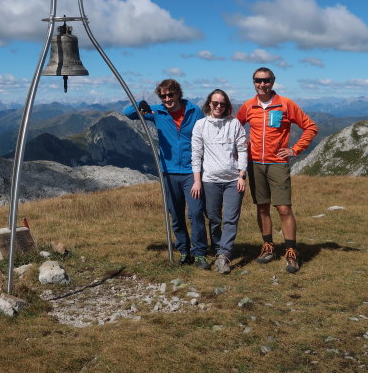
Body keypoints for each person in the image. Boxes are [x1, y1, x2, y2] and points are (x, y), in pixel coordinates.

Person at [236, 67, 318, 273]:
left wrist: (294, 149)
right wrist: (242, 146)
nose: (262, 84)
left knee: (283, 208)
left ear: (273, 82)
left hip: (278, 164)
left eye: (266, 80)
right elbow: (235, 128)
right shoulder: (248, 106)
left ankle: (291, 250)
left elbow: (310, 127)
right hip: (255, 163)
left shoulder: (286, 104)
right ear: (253, 82)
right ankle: (268, 247)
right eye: (258, 80)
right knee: (262, 206)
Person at [124, 79, 210, 269]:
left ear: (178, 93)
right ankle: (184, 251)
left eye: (171, 94)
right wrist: (141, 105)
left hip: (191, 171)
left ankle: (200, 253)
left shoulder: (194, 110)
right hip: (168, 171)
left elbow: (205, 132)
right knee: (176, 215)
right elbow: (128, 113)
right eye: (163, 96)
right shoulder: (157, 111)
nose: (167, 99)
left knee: (195, 213)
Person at [190, 89, 247, 274]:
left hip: (232, 180)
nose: (219, 106)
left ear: (227, 106)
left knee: (231, 219)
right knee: (213, 218)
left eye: (222, 104)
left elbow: (243, 150)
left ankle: (224, 255)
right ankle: (217, 247)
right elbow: (196, 154)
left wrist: (241, 175)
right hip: (209, 180)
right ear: (209, 104)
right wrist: (197, 181)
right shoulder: (200, 125)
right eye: (215, 103)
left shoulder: (235, 123)